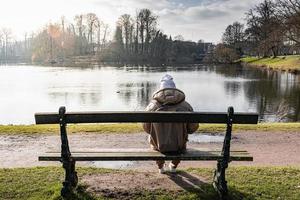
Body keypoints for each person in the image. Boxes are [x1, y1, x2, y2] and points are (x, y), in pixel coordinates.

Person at [143, 74, 199, 174]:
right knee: (183, 141)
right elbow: (192, 128)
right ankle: (173, 166)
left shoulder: (152, 106)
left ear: (160, 90)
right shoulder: (185, 106)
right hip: (178, 146)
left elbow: (147, 129)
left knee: (153, 139)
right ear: (175, 89)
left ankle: (161, 168)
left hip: (159, 146)